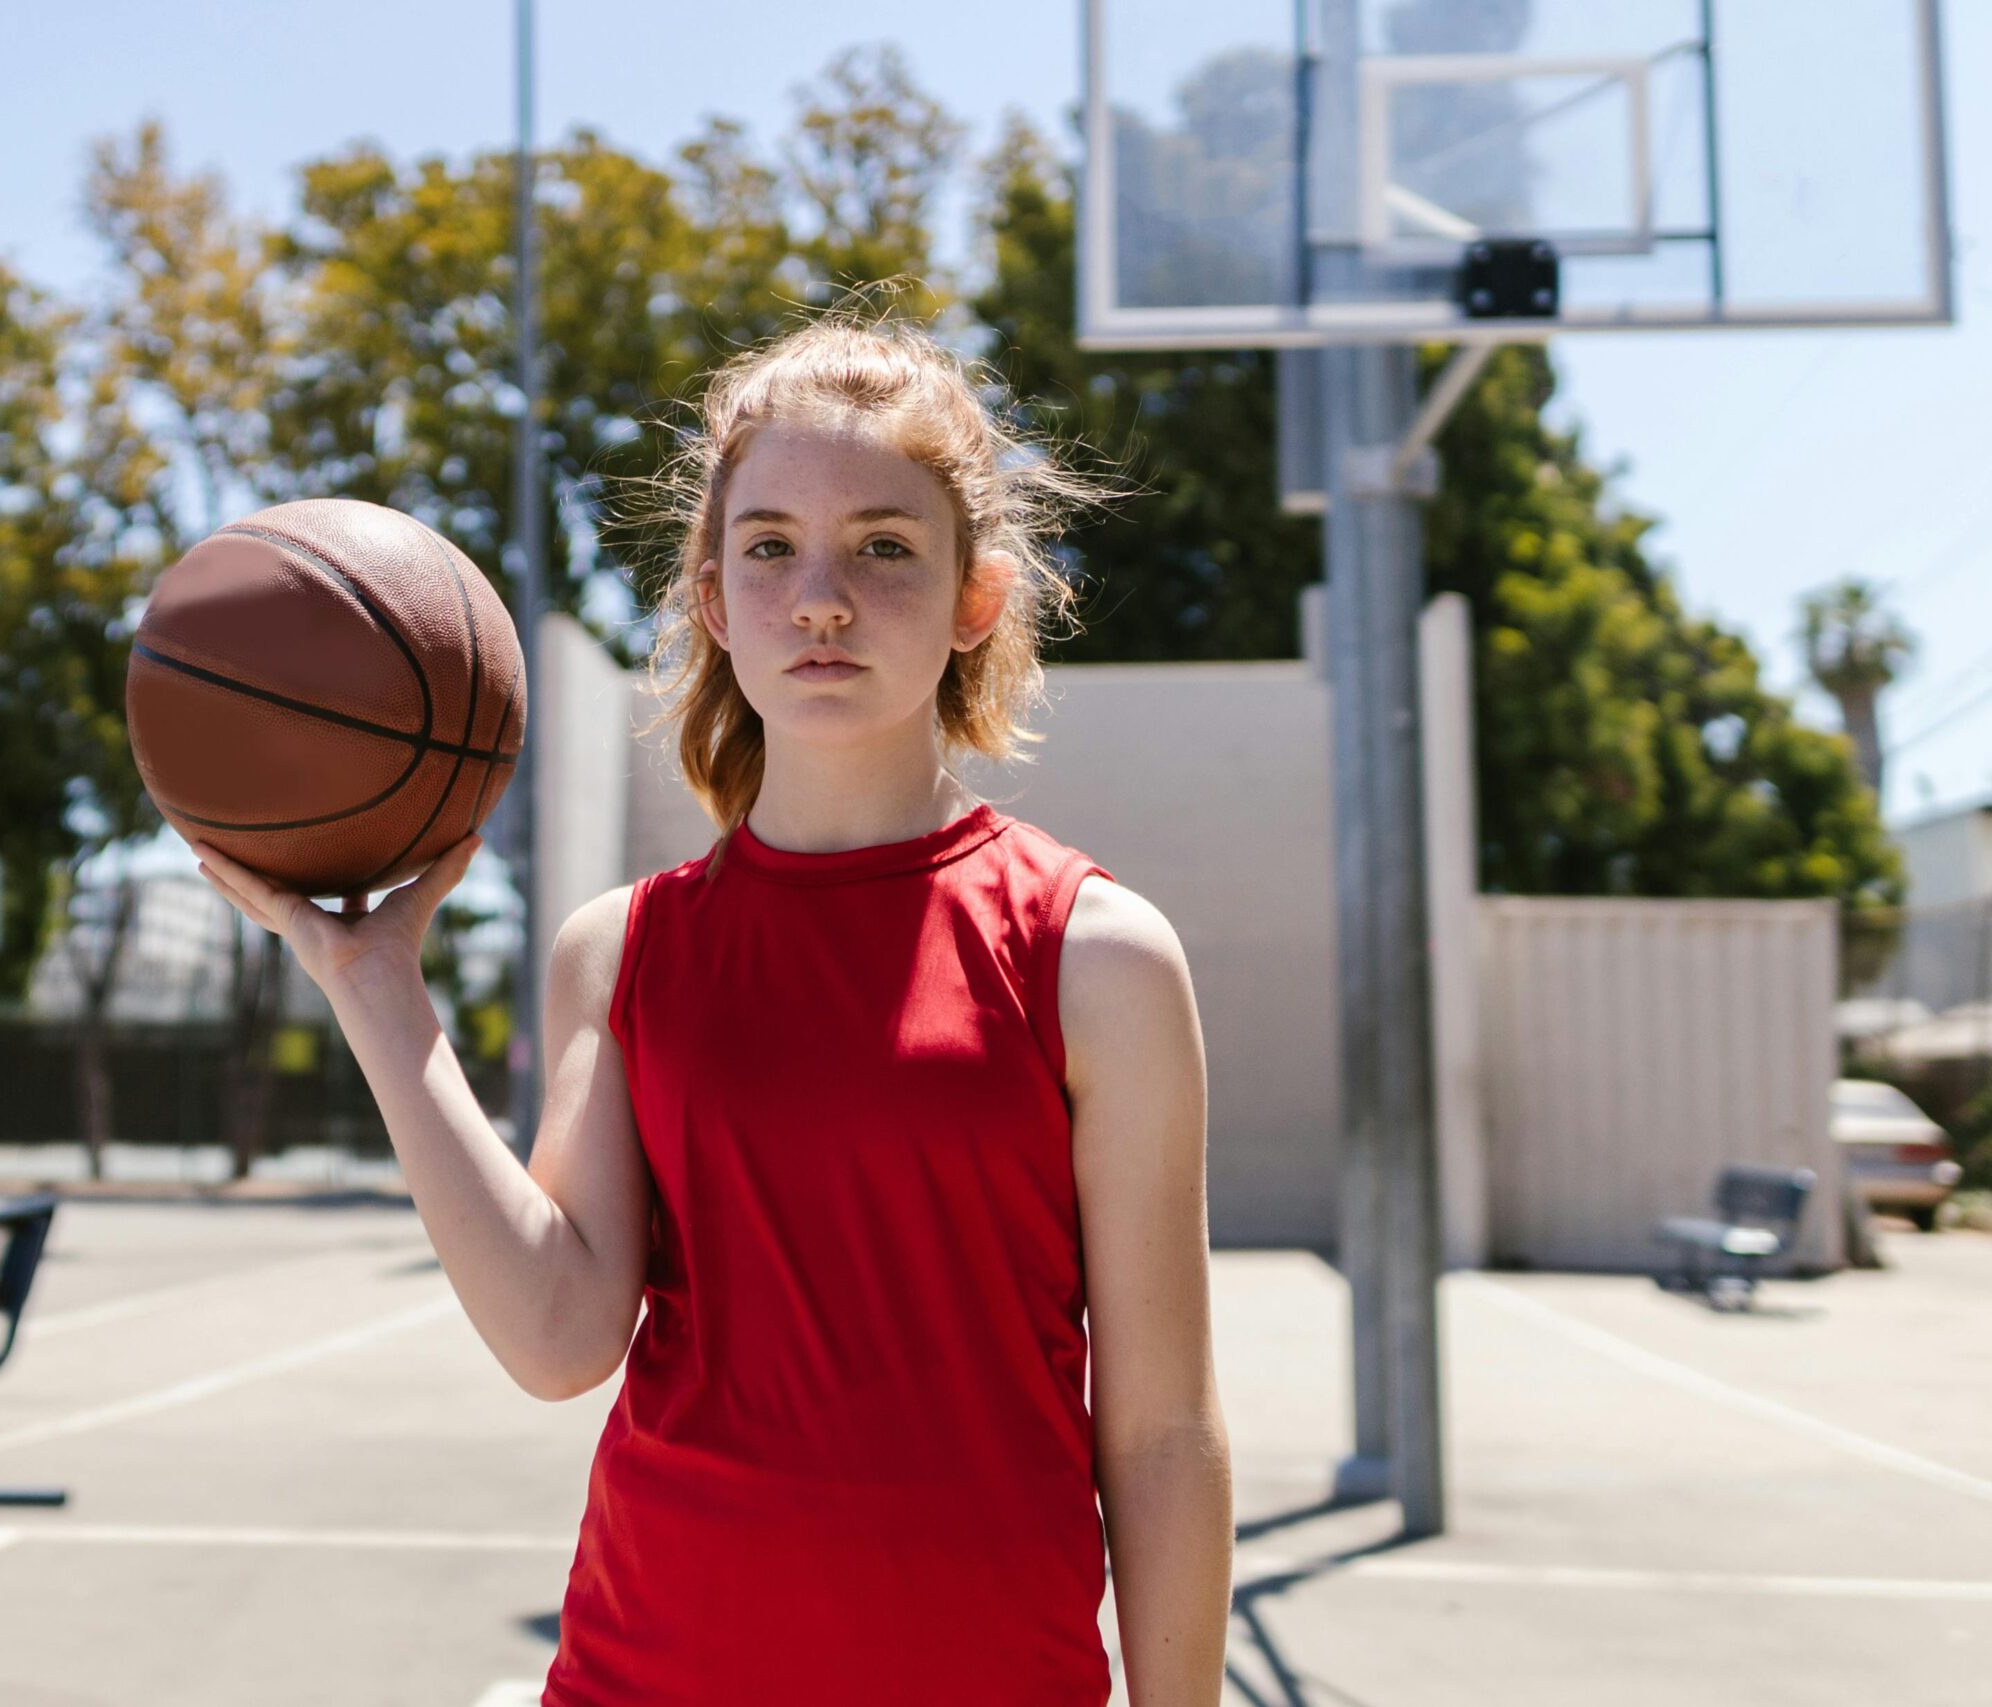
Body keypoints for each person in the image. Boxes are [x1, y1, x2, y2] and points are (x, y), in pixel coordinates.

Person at [191, 303, 1230, 1705]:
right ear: (711, 597)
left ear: (977, 597)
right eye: (769, 549)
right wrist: (376, 988)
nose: (820, 597)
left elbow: (1163, 1434)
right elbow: (560, 1337)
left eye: (883, 547)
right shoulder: (623, 953)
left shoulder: (1094, 956)